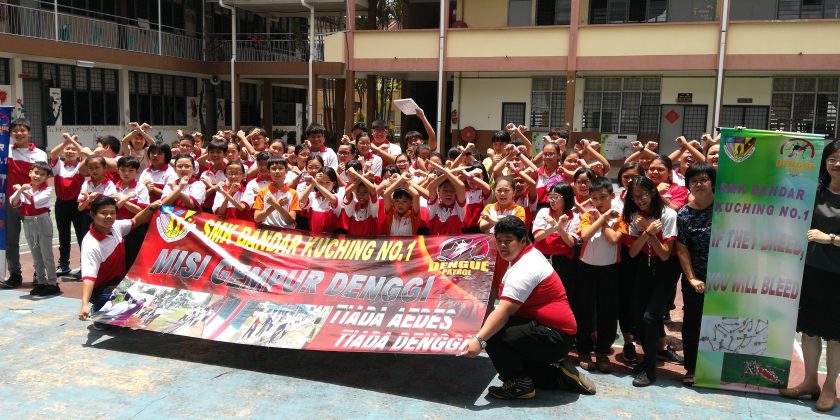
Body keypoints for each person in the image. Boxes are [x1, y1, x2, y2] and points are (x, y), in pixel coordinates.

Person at [460, 216, 595, 399]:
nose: (502, 245)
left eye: (508, 240)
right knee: (504, 341)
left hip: (554, 336)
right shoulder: (528, 254)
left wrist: (480, 340)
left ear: (523, 240)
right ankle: (558, 376)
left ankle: (519, 385)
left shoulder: (525, 267)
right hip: (554, 332)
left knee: (492, 333)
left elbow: (504, 311)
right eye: (499, 240)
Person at [780, 139, 840, 412]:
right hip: (811, 271)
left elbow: (822, 235)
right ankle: (810, 382)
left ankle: (829, 388)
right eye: (832, 158)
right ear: (824, 162)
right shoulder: (814, 192)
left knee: (836, 336)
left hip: (837, 277)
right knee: (810, 330)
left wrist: (829, 238)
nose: (837, 163)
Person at [623, 175, 678, 387]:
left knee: (650, 318)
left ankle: (651, 370)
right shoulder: (635, 215)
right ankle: (647, 360)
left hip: (666, 270)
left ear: (653, 192)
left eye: (643, 195)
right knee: (638, 316)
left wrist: (651, 233)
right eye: (635, 197)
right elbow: (633, 252)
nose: (640, 200)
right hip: (643, 267)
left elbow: (665, 254)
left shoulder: (668, 215)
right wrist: (647, 231)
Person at [77, 196, 161, 325]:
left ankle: (110, 310)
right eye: (104, 213)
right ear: (93, 215)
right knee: (130, 303)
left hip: (120, 282)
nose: (109, 217)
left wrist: (150, 208)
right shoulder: (91, 245)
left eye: (112, 213)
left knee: (149, 295)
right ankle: (99, 312)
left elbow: (135, 221)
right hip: (100, 289)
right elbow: (89, 278)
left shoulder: (115, 226)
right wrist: (84, 304)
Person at [576, 176, 627, 373]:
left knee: (608, 312)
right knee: (585, 311)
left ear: (612, 196)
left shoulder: (620, 217)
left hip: (610, 270)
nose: (598, 201)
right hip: (586, 268)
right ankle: (584, 350)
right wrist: (601, 218)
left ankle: (603, 352)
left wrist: (603, 219)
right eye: (595, 198)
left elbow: (613, 239)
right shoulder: (587, 216)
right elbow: (585, 235)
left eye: (603, 197)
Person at [675, 162, 715, 387]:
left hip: (725, 280)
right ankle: (692, 367)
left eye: (703, 179)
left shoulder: (726, 208)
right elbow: (682, 248)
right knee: (693, 322)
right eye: (694, 181)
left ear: (712, 182)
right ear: (688, 185)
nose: (699, 184)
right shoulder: (684, 214)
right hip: (696, 280)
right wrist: (691, 278)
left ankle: (716, 368)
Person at [1, 118, 49, 289]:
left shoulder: (40, 154)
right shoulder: (5, 151)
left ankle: (39, 273)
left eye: (22, 130)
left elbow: (42, 178)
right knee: (10, 241)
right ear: (10, 134)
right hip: (11, 202)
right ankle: (15, 274)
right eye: (15, 130)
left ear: (29, 133)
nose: (19, 133)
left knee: (37, 240)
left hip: (32, 202)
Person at [10, 161, 59, 296]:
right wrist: (20, 190)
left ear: (47, 177)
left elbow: (35, 202)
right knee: (36, 255)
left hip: (42, 221)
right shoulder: (26, 188)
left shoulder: (47, 190)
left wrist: (21, 190)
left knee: (46, 255)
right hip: (28, 221)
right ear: (30, 173)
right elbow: (13, 202)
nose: (38, 176)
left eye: (42, 174)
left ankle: (52, 283)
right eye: (36, 173)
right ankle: (41, 282)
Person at [50, 133, 89, 277]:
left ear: (78, 153)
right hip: (61, 204)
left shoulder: (82, 166)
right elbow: (53, 153)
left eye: (73, 149)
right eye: (67, 149)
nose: (70, 151)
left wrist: (72, 140)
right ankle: (64, 264)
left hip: (78, 204)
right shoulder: (58, 165)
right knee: (63, 235)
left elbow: (85, 153)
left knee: (81, 235)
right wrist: (66, 142)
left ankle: (85, 266)